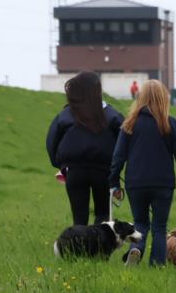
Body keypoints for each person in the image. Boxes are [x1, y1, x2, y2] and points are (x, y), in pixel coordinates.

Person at [110, 80, 176, 266]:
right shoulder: (170, 124)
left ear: (140, 98)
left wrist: (114, 183)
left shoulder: (129, 124)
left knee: (140, 223)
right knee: (159, 227)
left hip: (136, 183)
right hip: (162, 184)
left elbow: (118, 157)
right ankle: (157, 265)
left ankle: (136, 250)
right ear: (163, 98)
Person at [46, 72, 124, 226]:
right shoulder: (113, 115)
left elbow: (51, 141)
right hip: (104, 172)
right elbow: (125, 142)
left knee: (79, 217)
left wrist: (60, 165)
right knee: (102, 215)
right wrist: (118, 167)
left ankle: (78, 248)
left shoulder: (65, 115)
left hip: (74, 171)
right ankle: (100, 249)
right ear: (98, 91)